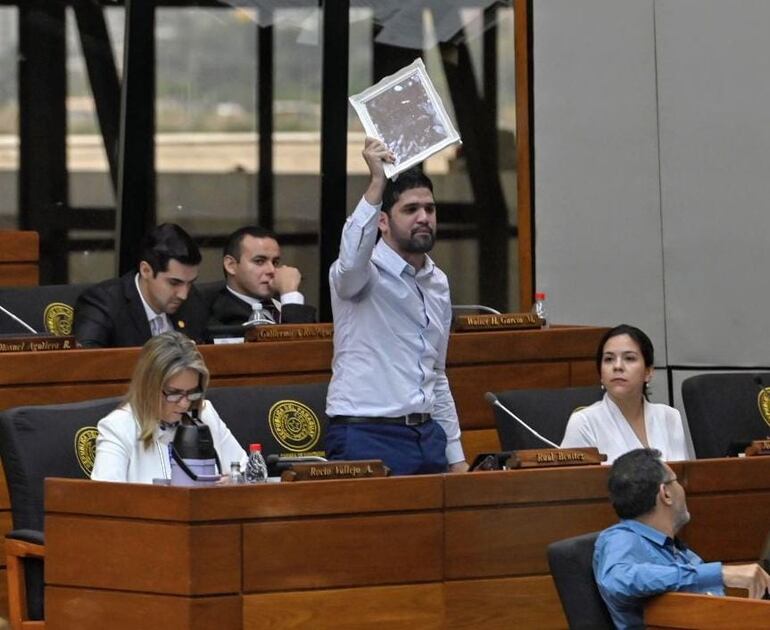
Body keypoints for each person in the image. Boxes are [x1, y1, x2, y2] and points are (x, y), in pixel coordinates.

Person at [324, 137, 468, 476]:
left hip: (427, 434)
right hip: (366, 433)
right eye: (410, 210)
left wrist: (455, 455)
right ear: (383, 222)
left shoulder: (438, 281)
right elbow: (349, 264)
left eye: (429, 209)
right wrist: (376, 185)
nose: (423, 218)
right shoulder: (361, 272)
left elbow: (436, 373)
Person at [594, 448, 770, 628]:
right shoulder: (620, 538)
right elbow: (618, 580)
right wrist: (719, 573)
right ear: (666, 493)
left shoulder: (676, 550)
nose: (682, 488)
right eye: (676, 480)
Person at [91, 331, 246, 483]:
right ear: (148, 387)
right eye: (174, 393)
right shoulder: (118, 427)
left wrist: (233, 481)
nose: (185, 403)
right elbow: (105, 500)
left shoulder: (204, 413)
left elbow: (246, 471)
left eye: (192, 393)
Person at [561, 324, 689, 463]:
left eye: (629, 358)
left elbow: (684, 479)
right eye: (609, 359)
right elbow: (570, 482)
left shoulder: (670, 417)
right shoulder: (584, 423)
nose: (617, 366)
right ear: (601, 374)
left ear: (648, 372)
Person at [74, 223, 207, 348]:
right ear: (146, 271)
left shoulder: (193, 301)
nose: (183, 294)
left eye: (190, 283)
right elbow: (86, 364)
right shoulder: (103, 303)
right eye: (174, 283)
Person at [207, 225, 316, 328]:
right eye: (259, 261)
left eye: (275, 262)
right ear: (231, 265)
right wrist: (290, 294)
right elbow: (296, 346)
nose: (272, 270)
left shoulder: (283, 304)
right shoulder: (219, 315)